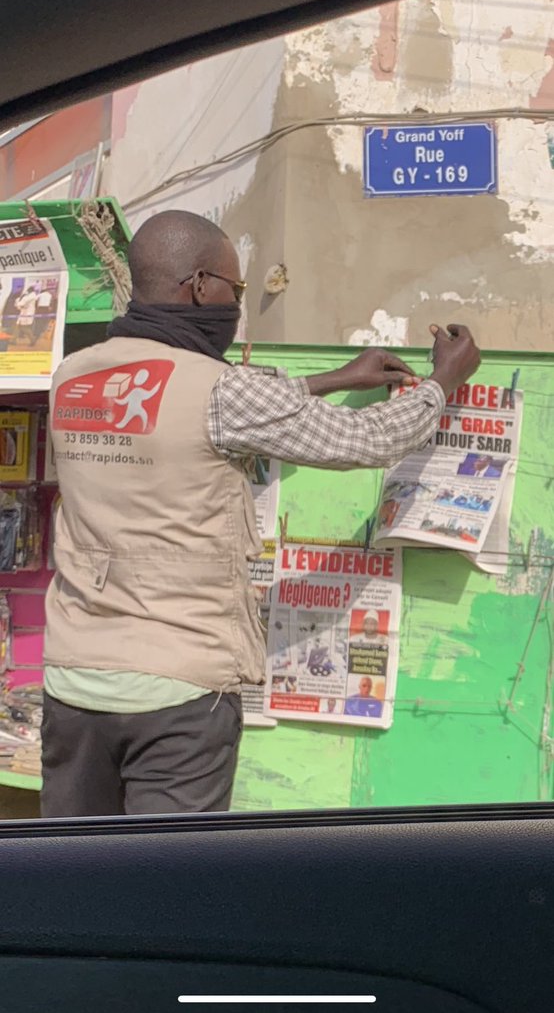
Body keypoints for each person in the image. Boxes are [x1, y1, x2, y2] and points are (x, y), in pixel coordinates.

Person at [41, 209, 480, 817]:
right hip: (179, 690)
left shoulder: (73, 377)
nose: (238, 302)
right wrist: (443, 382)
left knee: (74, 886)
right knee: (169, 893)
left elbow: (192, 411)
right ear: (200, 286)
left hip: (73, 682)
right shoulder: (219, 390)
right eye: (236, 288)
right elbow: (366, 441)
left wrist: (330, 378)